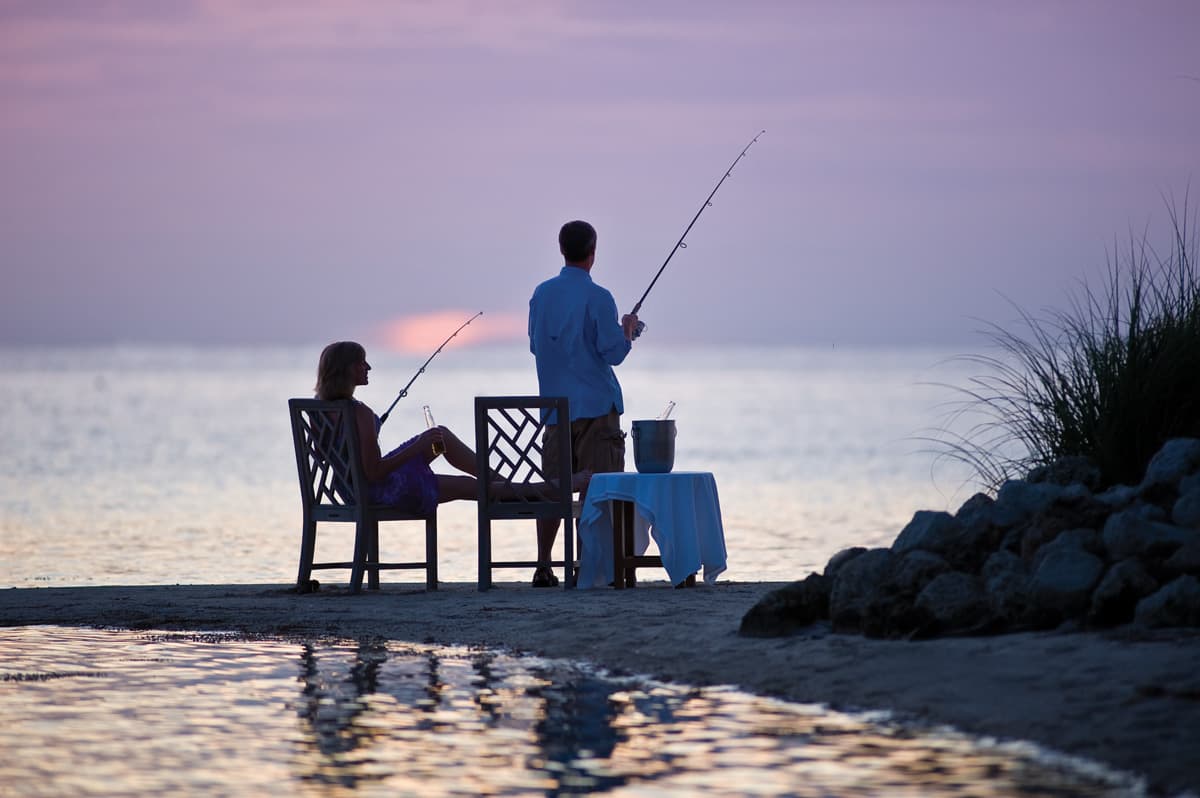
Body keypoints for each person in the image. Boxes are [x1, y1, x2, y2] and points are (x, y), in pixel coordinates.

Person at [314, 341, 587, 515]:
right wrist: (419, 448)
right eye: (362, 362)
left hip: (350, 491)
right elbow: (373, 472)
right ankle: (545, 489)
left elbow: (356, 465)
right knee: (471, 486)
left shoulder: (320, 412)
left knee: (439, 436)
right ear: (347, 370)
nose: (368, 366)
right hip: (381, 491)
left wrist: (420, 444)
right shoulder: (359, 413)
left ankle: (508, 486)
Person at [528, 220, 639, 587]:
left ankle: (544, 564)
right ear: (593, 252)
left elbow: (536, 345)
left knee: (553, 487)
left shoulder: (541, 295)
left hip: (555, 411)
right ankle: (584, 566)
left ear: (562, 250)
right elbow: (613, 352)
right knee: (598, 485)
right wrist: (628, 331)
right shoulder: (599, 297)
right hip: (596, 408)